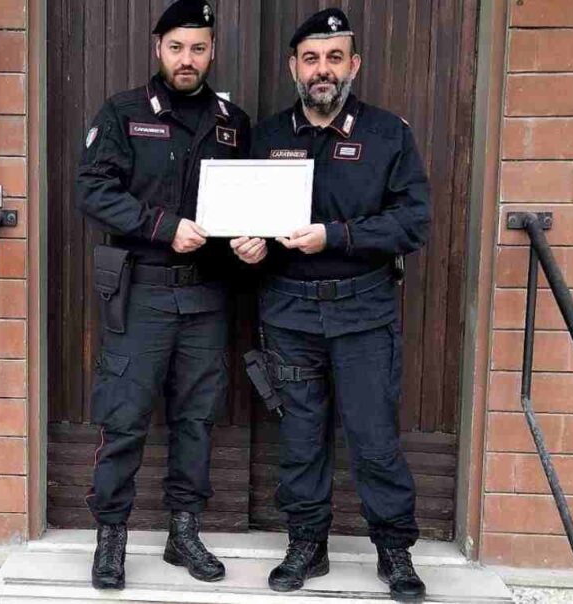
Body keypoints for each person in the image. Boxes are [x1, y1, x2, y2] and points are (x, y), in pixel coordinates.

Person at [234, 8, 431, 601]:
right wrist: (248, 248)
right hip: (289, 313)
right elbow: (246, 214)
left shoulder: (387, 134)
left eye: (335, 57)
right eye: (312, 59)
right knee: (300, 438)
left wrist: (336, 236)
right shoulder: (267, 137)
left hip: (364, 312)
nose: (324, 70)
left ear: (354, 65)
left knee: (373, 437)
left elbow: (413, 222)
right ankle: (306, 544)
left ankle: (394, 550)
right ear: (294, 67)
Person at [75, 0, 251, 591]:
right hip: (142, 295)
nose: (187, 59)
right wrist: (162, 226)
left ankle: (183, 530)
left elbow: (248, 202)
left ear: (211, 52)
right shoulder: (124, 113)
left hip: (206, 298)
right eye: (176, 47)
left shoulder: (232, 121)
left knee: (196, 419)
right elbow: (93, 191)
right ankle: (111, 535)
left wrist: (254, 242)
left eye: (198, 48)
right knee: (123, 418)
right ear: (158, 49)